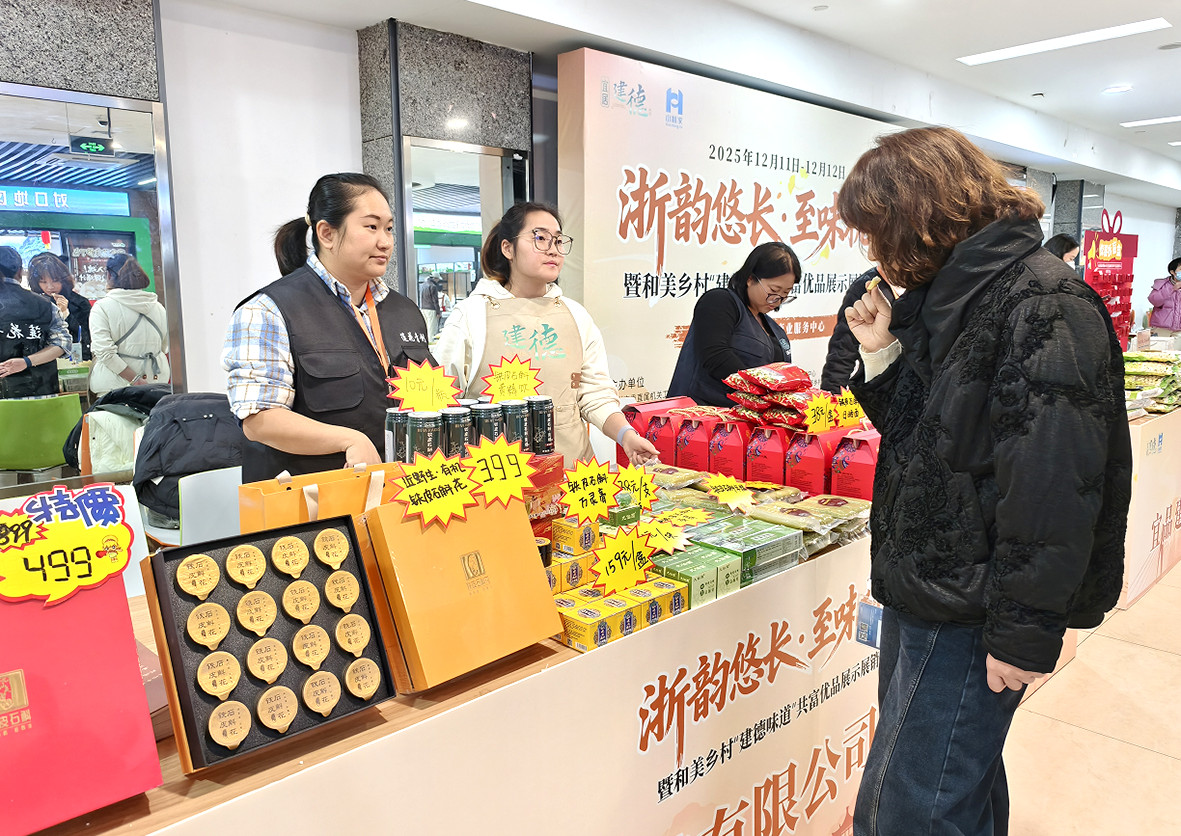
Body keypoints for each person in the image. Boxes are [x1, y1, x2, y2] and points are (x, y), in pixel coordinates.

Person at [836, 127, 1130, 836]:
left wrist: (1024, 631)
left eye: (878, 230)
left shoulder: (1042, 302)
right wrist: (884, 355)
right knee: (949, 786)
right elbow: (932, 439)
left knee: (908, 810)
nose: (874, 251)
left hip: (970, 603)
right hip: (928, 584)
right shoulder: (960, 294)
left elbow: (1056, 486)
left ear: (920, 216)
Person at [223, 173, 433, 481]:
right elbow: (259, 420)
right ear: (327, 233)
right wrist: (350, 440)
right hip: (314, 500)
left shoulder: (405, 310)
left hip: (402, 490)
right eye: (371, 227)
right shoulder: (268, 311)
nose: (386, 242)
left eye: (389, 228)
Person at [434, 201, 658, 467]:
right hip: (496, 478)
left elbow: (596, 394)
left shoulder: (576, 315)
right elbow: (442, 402)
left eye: (558, 241)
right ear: (507, 248)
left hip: (572, 474)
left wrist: (626, 436)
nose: (553, 249)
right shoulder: (471, 315)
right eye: (540, 238)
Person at [666, 242, 798, 407]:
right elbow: (716, 357)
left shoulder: (775, 329)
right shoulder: (720, 301)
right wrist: (760, 390)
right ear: (751, 279)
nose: (777, 300)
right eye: (773, 290)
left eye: (785, 293)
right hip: (703, 412)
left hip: (748, 417)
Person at [87, 255, 170, 396]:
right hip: (156, 383)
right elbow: (165, 346)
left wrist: (136, 380)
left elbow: (104, 352)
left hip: (114, 387)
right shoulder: (158, 307)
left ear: (108, 275)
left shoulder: (102, 307)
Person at [0, 246, 71, 397]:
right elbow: (62, 343)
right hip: (40, 393)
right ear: (20, 272)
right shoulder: (46, 305)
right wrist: (27, 361)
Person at [820, 267, 896, 393]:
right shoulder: (869, 285)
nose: (872, 257)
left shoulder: (929, 288)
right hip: (880, 392)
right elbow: (842, 352)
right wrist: (831, 398)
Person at [28, 251, 91, 360]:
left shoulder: (80, 303)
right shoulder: (33, 303)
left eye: (55, 280)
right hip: (43, 362)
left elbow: (85, 337)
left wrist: (66, 315)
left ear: (64, 279)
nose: (50, 287)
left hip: (75, 361)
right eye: (43, 282)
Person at [1147, 257, 1181, 336]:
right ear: (1172, 272)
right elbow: (1154, 300)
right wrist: (1172, 289)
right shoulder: (1162, 284)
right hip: (1162, 328)